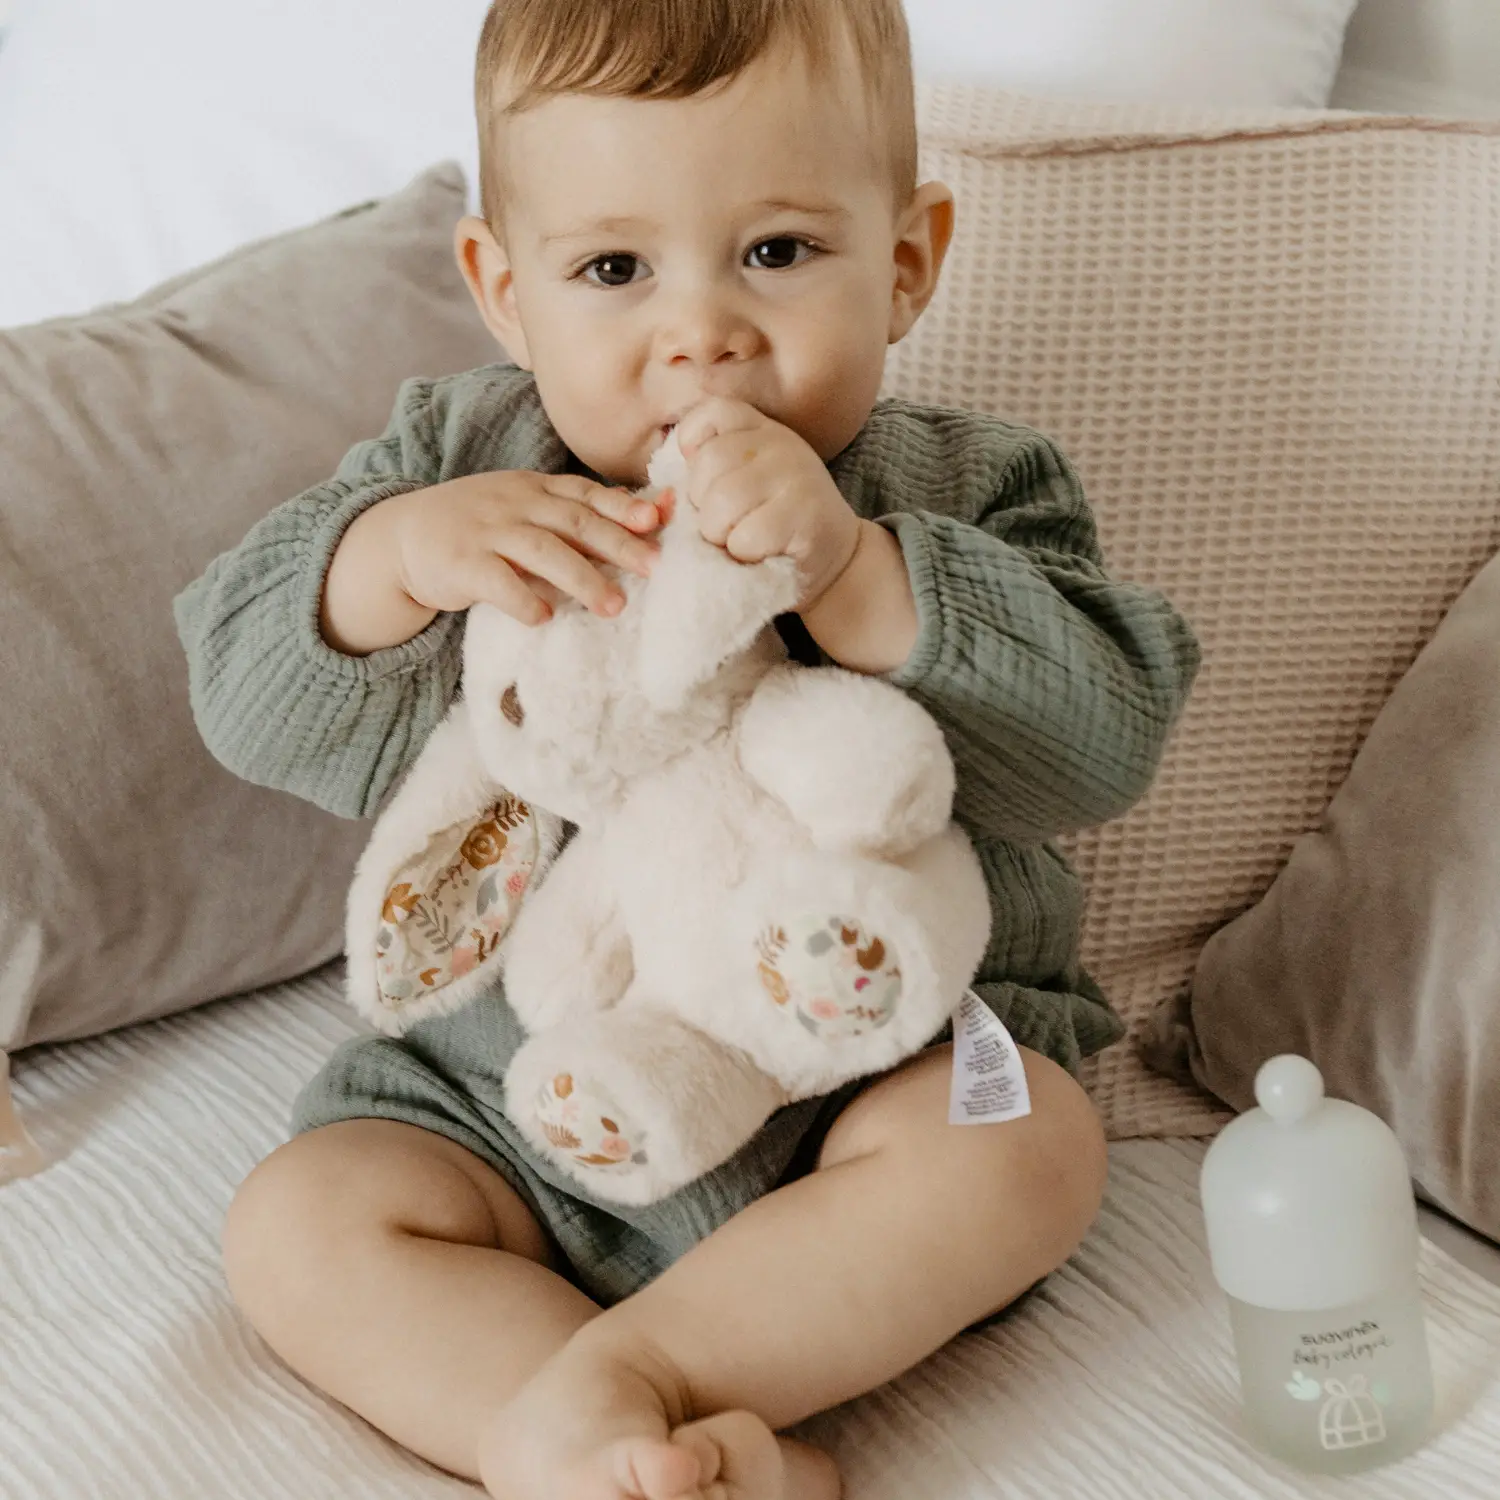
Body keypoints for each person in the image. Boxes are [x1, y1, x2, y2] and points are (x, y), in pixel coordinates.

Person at [174, 1, 1201, 1495]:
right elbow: (240, 694)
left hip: (862, 1082)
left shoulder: (972, 484)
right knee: (300, 1219)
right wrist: (391, 561)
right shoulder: (460, 467)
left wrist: (856, 574)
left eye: (777, 251)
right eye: (614, 270)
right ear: (506, 291)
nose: (701, 332)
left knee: (1026, 1146)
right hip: (510, 1106)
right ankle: (615, 1446)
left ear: (905, 262)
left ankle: (616, 1397)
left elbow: (1104, 739)